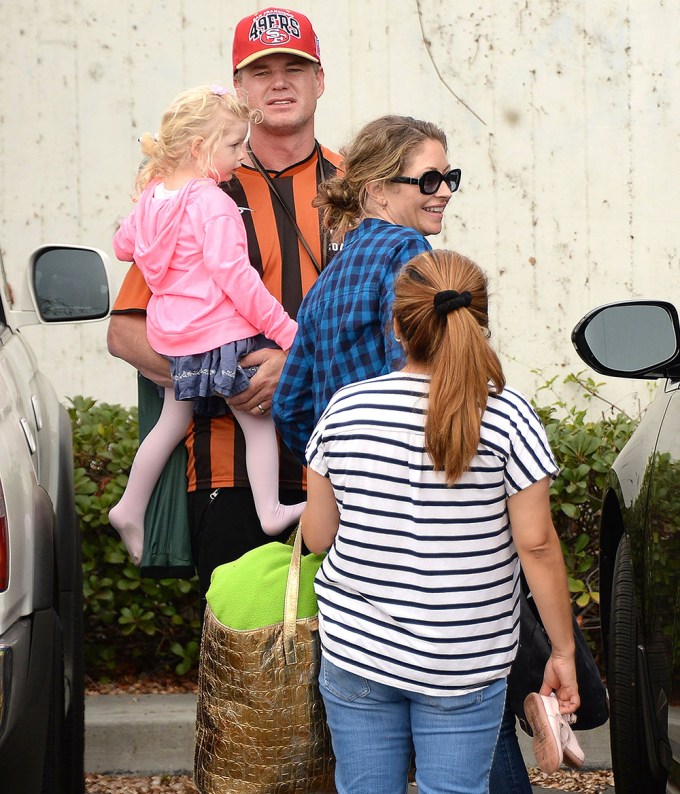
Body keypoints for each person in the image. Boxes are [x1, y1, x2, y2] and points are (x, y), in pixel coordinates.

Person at [300, 248, 580, 793]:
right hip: (465, 658)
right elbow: (537, 546)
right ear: (481, 324)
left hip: (358, 650)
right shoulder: (509, 416)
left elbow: (318, 537)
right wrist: (562, 651)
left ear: (397, 327)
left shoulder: (345, 408)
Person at [106, 8, 341, 596]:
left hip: (347, 467)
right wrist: (222, 378)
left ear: (320, 80)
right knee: (240, 650)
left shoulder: (357, 185)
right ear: (239, 89)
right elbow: (125, 334)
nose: (279, 83)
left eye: (294, 68)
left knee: (350, 653)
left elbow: (401, 328)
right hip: (224, 472)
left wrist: (297, 365)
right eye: (261, 72)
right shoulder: (197, 186)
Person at [109, 85, 304, 565]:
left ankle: (129, 506)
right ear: (200, 148)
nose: (242, 155)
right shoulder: (213, 203)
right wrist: (288, 333)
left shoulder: (153, 198)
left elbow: (122, 246)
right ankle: (271, 510)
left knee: (170, 423)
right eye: (234, 145)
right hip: (220, 335)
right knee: (257, 419)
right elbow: (238, 280)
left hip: (173, 339)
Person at [272, 113, 460, 461]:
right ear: (378, 190)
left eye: (450, 178)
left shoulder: (325, 280)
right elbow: (415, 367)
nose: (446, 191)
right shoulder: (406, 247)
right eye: (430, 180)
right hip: (405, 466)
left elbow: (288, 407)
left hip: (348, 481)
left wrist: (336, 461)